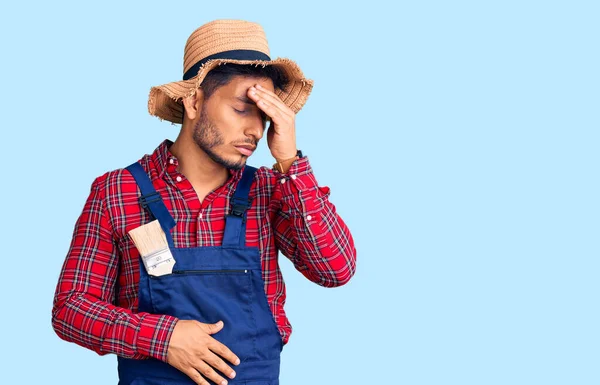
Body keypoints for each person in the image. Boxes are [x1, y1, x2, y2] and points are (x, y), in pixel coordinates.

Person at [52, 19, 356, 385]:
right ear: (194, 101)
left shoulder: (271, 191)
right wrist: (163, 337)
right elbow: (71, 309)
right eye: (243, 109)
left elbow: (335, 269)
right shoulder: (117, 191)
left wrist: (290, 162)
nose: (256, 130)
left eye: (265, 115)